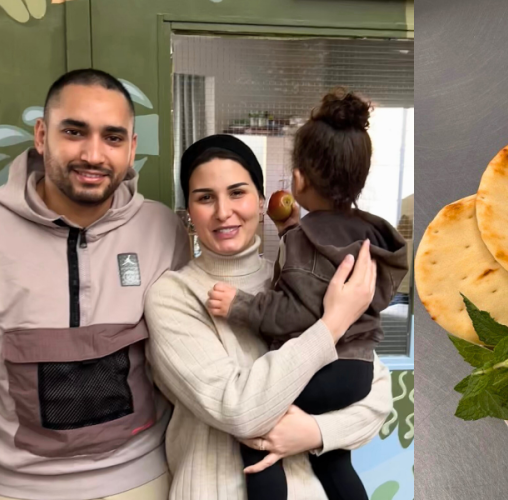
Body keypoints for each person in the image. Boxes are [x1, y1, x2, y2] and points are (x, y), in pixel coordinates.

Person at [0, 69, 189, 500]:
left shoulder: (162, 229)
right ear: (42, 136)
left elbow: (185, 363)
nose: (94, 154)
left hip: (143, 481)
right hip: (17, 489)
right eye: (75, 132)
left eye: (113, 138)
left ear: (132, 148)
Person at [144, 131, 392, 499]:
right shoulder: (174, 295)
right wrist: (333, 323)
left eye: (237, 192)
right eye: (205, 198)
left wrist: (316, 433)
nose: (223, 211)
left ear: (262, 203)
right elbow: (239, 409)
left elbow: (377, 393)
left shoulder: (297, 275)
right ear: (189, 212)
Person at [202, 89, 407, 500]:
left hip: (326, 368)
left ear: (297, 179)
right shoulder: (368, 232)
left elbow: (295, 310)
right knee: (331, 458)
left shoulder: (306, 242)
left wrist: (241, 306)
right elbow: (322, 277)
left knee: (258, 424)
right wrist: (292, 230)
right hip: (359, 369)